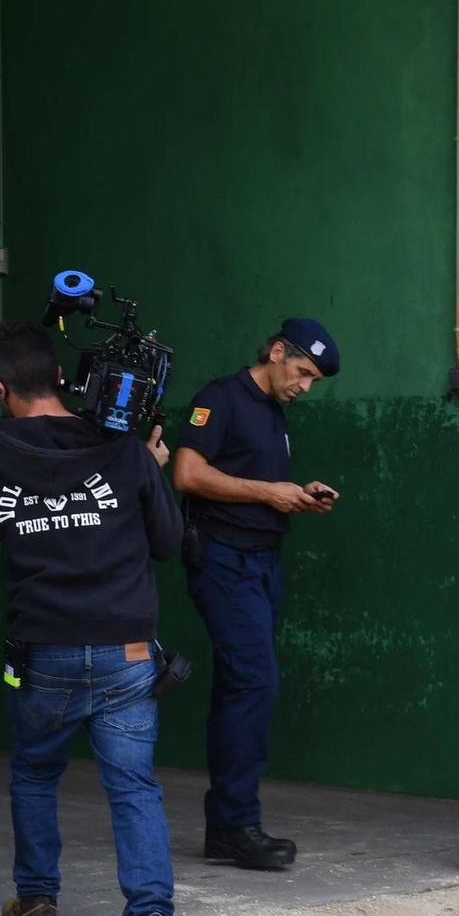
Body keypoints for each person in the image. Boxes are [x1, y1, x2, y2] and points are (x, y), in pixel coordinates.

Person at [0, 320, 182, 916]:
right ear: (62, 376)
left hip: (44, 652)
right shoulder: (122, 447)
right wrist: (149, 464)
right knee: (133, 787)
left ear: (0, 387)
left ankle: (36, 903)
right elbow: (169, 542)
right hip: (126, 651)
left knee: (34, 771)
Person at [171, 319, 340, 871]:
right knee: (254, 681)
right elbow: (187, 473)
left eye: (314, 379)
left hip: (263, 564)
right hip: (225, 562)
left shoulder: (272, 412)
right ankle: (235, 824)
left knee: (242, 687)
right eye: (302, 372)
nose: (305, 386)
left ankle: (227, 824)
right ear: (275, 352)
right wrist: (269, 492)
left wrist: (298, 493)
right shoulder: (221, 397)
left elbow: (252, 483)